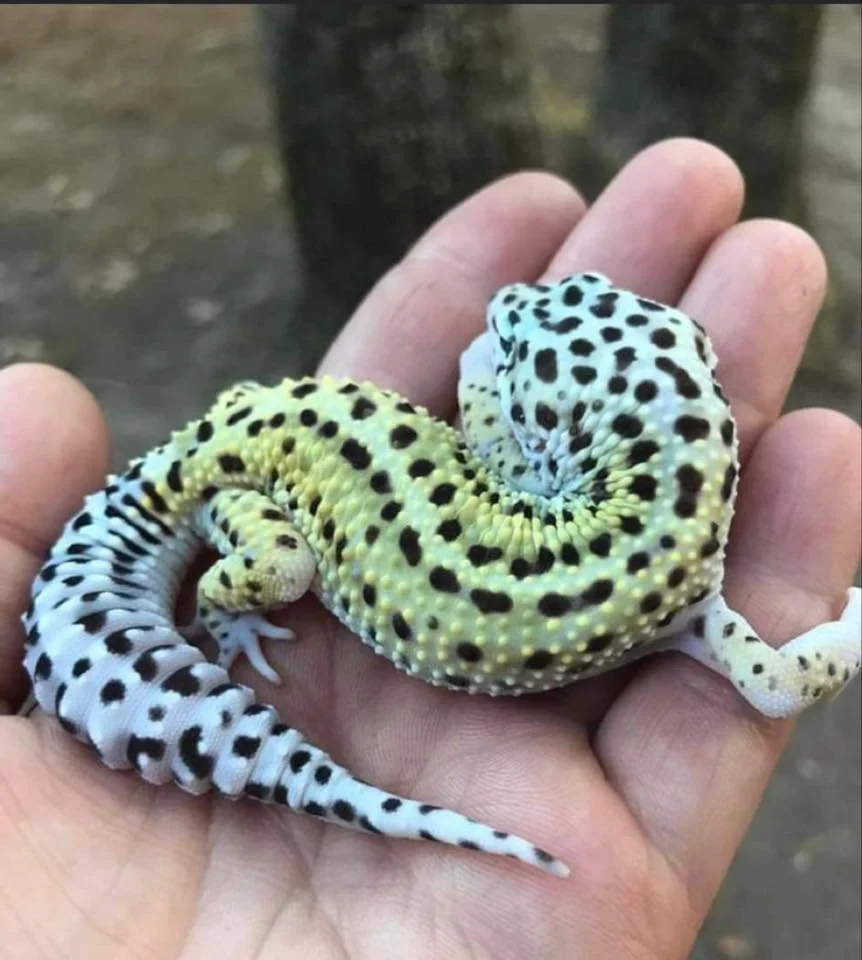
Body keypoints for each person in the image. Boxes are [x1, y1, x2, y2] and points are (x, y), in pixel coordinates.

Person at [0, 139, 859, 959]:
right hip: (236, 486)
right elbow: (781, 686)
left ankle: (240, 601)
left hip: (287, 453)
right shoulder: (697, 602)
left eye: (517, 351)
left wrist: (488, 378)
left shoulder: (564, 505)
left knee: (291, 565)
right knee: (284, 563)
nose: (501, 318)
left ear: (556, 438)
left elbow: (488, 403)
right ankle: (226, 601)